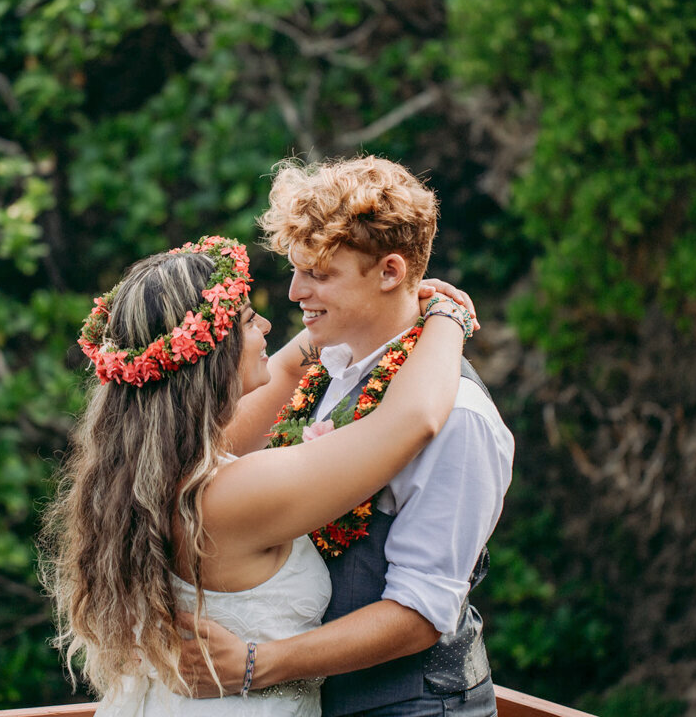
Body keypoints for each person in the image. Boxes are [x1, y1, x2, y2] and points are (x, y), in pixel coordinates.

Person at [39, 234, 475, 716]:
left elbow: (291, 364)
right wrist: (449, 316)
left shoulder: (155, 471)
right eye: (249, 321)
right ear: (215, 356)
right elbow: (414, 421)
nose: (268, 323)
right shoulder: (233, 494)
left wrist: (365, 307)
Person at [178, 157, 515, 717]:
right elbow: (209, 452)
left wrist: (259, 663)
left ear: (389, 272)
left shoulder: (459, 415)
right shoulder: (330, 368)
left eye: (318, 274)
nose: (292, 292)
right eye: (295, 269)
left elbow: (420, 613)